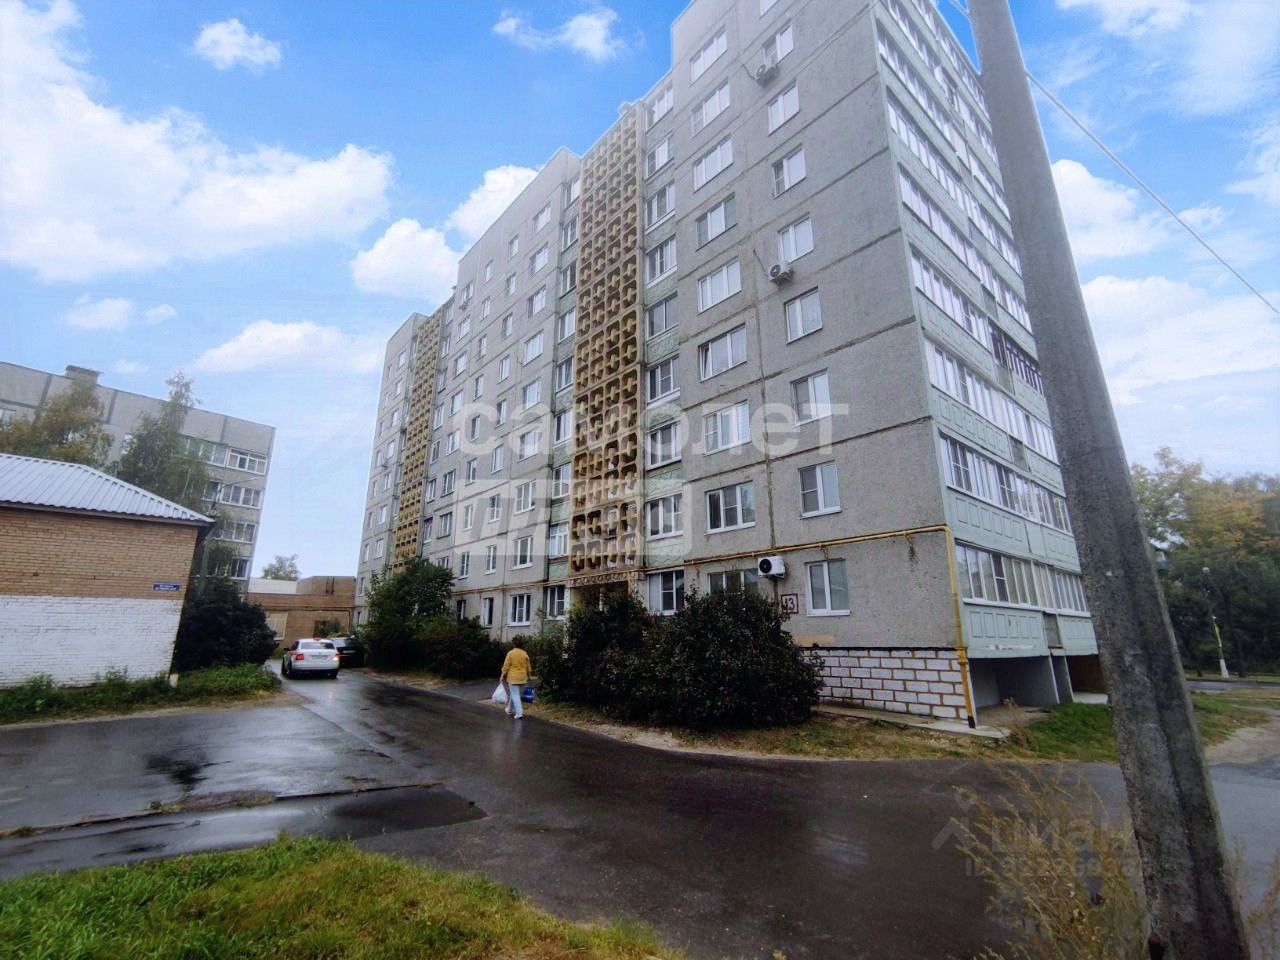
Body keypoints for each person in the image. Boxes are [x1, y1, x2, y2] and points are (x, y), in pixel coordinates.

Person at [500, 638, 532, 719]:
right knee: (514, 694)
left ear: (514, 644)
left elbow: (506, 666)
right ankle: (509, 709)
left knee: (515, 695)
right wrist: (529, 676)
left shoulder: (510, 653)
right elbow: (528, 666)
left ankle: (519, 713)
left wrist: (502, 675)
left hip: (513, 677)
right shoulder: (524, 653)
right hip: (523, 677)